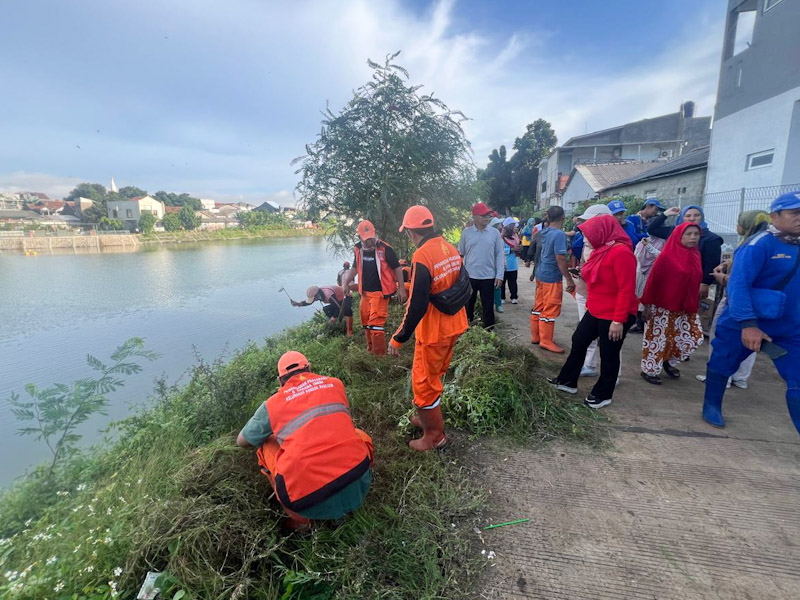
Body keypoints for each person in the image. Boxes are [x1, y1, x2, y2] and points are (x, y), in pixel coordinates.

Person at [236, 351, 374, 529]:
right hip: (358, 486)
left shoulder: (272, 404)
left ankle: (302, 521)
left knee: (264, 446)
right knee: (359, 435)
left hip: (306, 502)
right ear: (309, 368)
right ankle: (346, 503)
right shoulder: (335, 384)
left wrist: (274, 434)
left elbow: (242, 441)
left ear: (280, 381)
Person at [702, 192, 800, 434]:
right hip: (745, 321)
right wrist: (748, 324)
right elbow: (738, 285)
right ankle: (711, 405)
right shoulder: (760, 244)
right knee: (723, 363)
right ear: (775, 216)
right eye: (795, 213)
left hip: (790, 327)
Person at [389, 205, 469, 451]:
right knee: (431, 379)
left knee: (424, 386)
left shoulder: (422, 256)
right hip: (453, 324)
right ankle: (426, 421)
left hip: (434, 332)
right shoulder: (449, 247)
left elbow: (417, 305)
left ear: (412, 232)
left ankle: (435, 437)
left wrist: (398, 338)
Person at [548, 215, 638, 409]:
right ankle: (567, 381)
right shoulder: (601, 250)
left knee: (609, 353)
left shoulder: (622, 252)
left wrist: (618, 321)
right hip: (597, 309)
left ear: (602, 232)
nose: (585, 239)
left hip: (615, 313)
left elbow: (626, 289)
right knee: (579, 340)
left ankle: (603, 394)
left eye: (588, 234)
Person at [697, 210, 770, 389]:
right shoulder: (765, 243)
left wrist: (722, 278)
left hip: (736, 301)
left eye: (738, 222)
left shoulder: (750, 247)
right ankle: (741, 377)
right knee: (750, 341)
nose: (736, 226)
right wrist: (726, 265)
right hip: (759, 304)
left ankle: (722, 377)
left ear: (746, 225)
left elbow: (743, 280)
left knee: (721, 337)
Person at [639, 223, 704, 385]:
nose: (693, 237)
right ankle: (650, 370)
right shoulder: (667, 256)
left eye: (696, 234)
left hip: (685, 306)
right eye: (688, 234)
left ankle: (668, 361)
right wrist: (646, 305)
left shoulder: (695, 255)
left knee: (691, 338)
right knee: (657, 339)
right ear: (678, 236)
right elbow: (653, 281)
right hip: (662, 305)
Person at [341, 220, 407, 355]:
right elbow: (355, 267)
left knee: (376, 325)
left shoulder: (385, 248)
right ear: (359, 237)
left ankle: (379, 356)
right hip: (365, 292)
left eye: (371, 238)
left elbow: (397, 268)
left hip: (380, 292)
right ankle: (370, 350)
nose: (369, 242)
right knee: (366, 323)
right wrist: (346, 282)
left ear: (374, 234)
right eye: (366, 239)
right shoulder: (358, 249)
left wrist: (401, 289)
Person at [569, 203, 613, 377]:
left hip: (603, 296)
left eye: (590, 221)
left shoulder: (615, 245)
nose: (586, 225)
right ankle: (589, 365)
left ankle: (611, 374)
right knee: (585, 333)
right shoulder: (587, 238)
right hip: (585, 290)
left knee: (609, 337)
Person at [647, 205, 723, 297]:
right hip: (671, 279)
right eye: (687, 216)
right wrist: (665, 214)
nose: (692, 219)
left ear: (702, 217)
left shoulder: (711, 239)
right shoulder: (674, 232)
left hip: (693, 283)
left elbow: (711, 263)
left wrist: (705, 283)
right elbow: (652, 229)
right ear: (682, 218)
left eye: (696, 215)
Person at [530, 206, 576, 353]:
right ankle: (546, 341)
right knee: (550, 309)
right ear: (563, 218)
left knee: (539, 306)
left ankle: (536, 336)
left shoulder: (543, 232)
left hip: (541, 274)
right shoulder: (559, 235)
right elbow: (560, 258)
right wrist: (569, 279)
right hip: (551, 277)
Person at [458, 202, 505, 329]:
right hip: (470, 276)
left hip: (488, 276)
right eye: (483, 215)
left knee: (488, 306)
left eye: (488, 214)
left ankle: (489, 331)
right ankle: (466, 330)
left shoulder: (494, 233)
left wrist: (500, 275)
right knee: (468, 305)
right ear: (475, 217)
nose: (487, 217)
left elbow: (500, 255)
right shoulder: (466, 233)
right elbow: (460, 253)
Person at [501, 217, 521, 305]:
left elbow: (517, 245)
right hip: (504, 263)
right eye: (513, 226)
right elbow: (499, 250)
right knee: (502, 282)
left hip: (513, 263)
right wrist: (511, 249)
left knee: (513, 281)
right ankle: (502, 297)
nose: (515, 228)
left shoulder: (515, 236)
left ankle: (514, 296)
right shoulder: (502, 237)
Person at [489, 216, 505, 313]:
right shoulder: (488, 237)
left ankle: (498, 304)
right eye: (499, 224)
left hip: (497, 265)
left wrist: (503, 264)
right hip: (488, 265)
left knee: (497, 286)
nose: (501, 226)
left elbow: (501, 253)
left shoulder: (500, 238)